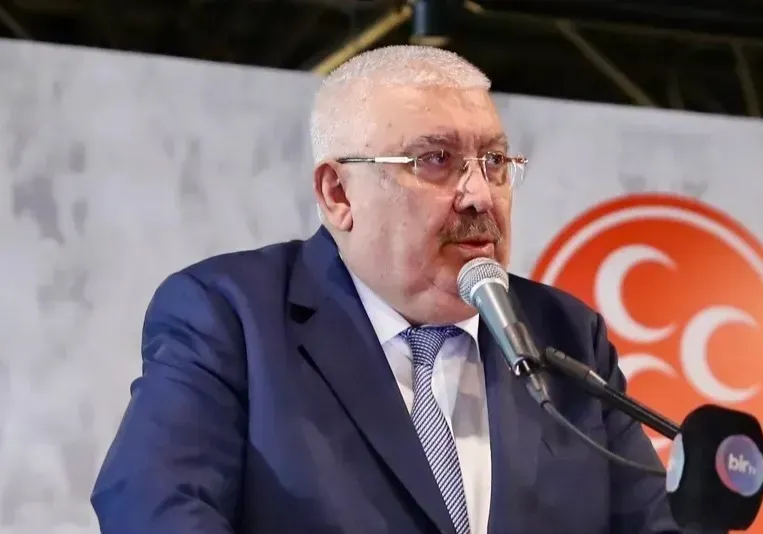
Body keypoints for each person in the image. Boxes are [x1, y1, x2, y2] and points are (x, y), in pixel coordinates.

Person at [91, 45, 695, 534]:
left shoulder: (565, 335)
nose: (480, 195)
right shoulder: (231, 315)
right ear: (338, 194)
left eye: (494, 162)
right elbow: (151, 505)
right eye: (436, 160)